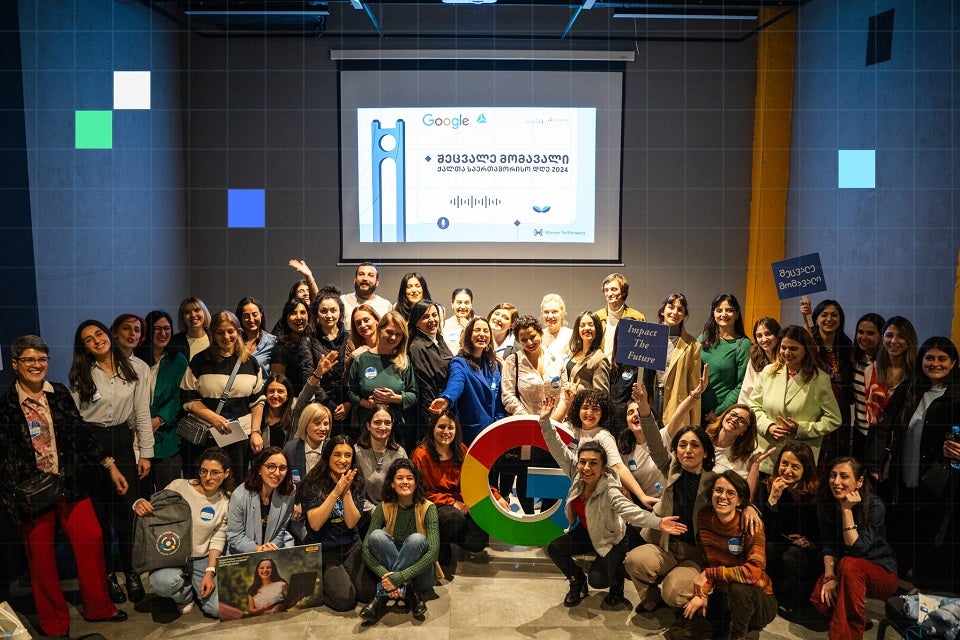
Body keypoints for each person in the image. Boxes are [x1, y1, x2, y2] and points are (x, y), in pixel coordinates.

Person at [0, 335, 128, 637]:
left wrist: (108, 464)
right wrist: (14, 498)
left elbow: (80, 433)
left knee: (92, 540)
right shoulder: (5, 406)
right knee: (42, 562)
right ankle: (55, 624)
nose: (36, 365)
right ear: (16, 364)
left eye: (42, 359)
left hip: (69, 484)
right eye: (29, 360)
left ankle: (99, 608)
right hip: (32, 494)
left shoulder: (57, 393)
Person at [623, 382, 764, 614]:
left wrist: (749, 506)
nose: (688, 450)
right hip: (666, 546)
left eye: (695, 445)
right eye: (682, 445)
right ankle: (650, 596)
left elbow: (737, 498)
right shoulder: (670, 468)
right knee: (634, 560)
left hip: (695, 554)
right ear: (676, 450)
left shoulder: (715, 481)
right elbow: (655, 442)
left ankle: (677, 590)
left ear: (706, 452)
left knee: (674, 594)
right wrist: (645, 407)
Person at [538, 394, 686, 609]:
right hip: (589, 532)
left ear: (603, 466)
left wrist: (658, 522)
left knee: (598, 580)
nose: (587, 468)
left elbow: (629, 510)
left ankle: (616, 581)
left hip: (612, 538)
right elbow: (557, 448)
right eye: (583, 462)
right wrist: (544, 420)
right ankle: (576, 580)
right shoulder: (577, 473)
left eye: (593, 463)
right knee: (555, 548)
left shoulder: (609, 487)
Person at [68, 319, 153, 604]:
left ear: (108, 334)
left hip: (123, 442)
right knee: (101, 517)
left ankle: (130, 572)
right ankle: (107, 575)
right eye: (88, 340)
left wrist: (145, 453)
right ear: (84, 348)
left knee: (127, 514)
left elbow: (142, 413)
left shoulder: (136, 368)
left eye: (99, 334)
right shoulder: (81, 373)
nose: (96, 340)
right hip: (92, 447)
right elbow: (77, 421)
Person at [866, 336, 960, 591]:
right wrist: (875, 463)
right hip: (903, 478)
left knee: (932, 539)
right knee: (901, 533)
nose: (935, 363)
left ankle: (927, 594)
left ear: (953, 363)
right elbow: (884, 426)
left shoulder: (957, 395)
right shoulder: (910, 388)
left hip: (940, 484)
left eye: (942, 359)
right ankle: (897, 590)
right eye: (930, 358)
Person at [133, 447, 233, 617]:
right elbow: (153, 508)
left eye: (215, 472)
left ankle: (196, 582)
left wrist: (210, 572)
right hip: (171, 553)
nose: (208, 477)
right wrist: (138, 503)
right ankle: (185, 596)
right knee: (162, 583)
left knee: (216, 609)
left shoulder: (225, 499)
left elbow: (218, 537)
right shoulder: (179, 486)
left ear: (226, 473)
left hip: (201, 556)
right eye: (204, 471)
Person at [810, 457, 898, 640]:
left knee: (850, 564)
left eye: (844, 476)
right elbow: (828, 545)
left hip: (881, 574)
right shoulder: (826, 503)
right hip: (846, 570)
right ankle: (854, 618)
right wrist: (830, 576)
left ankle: (846, 635)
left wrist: (847, 510)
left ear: (859, 481)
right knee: (822, 598)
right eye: (833, 476)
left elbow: (857, 549)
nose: (836, 482)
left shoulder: (874, 506)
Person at [411, 411, 506, 574]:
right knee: (452, 518)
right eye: (441, 427)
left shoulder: (461, 449)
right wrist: (451, 502)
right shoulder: (421, 454)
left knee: (478, 542)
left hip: (462, 504)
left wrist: (496, 496)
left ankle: (447, 537)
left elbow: (476, 479)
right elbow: (420, 492)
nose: (446, 432)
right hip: (434, 506)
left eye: (450, 427)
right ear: (432, 428)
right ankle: (440, 546)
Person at [686, 472, 777, 640]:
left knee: (739, 587)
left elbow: (754, 572)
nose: (723, 496)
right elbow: (708, 563)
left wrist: (710, 574)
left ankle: (738, 636)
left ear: (740, 500)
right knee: (696, 623)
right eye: (718, 490)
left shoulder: (751, 525)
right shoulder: (705, 518)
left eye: (730, 493)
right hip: (724, 593)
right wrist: (703, 593)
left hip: (758, 598)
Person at [180, 311, 265, 482]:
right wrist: (213, 418)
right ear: (212, 333)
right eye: (220, 332)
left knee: (235, 485)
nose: (226, 337)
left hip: (239, 440)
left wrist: (255, 432)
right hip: (205, 438)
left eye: (231, 331)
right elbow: (188, 398)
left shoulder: (251, 363)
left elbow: (258, 401)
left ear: (238, 332)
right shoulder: (199, 361)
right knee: (204, 484)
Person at [750, 325, 842, 476]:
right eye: (783, 347)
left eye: (793, 348)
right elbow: (753, 405)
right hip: (767, 454)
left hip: (800, 459)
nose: (787, 353)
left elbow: (834, 419)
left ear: (806, 350)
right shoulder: (768, 372)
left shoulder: (819, 379)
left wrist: (801, 429)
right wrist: (768, 426)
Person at [300, 434, 376, 611]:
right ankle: (313, 584)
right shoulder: (313, 482)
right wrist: (335, 492)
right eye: (337, 454)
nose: (343, 460)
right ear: (328, 456)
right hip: (325, 550)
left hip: (351, 546)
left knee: (368, 594)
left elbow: (351, 523)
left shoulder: (356, 481)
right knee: (345, 601)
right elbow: (315, 524)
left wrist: (347, 492)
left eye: (348, 455)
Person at [360, 459, 441, 621]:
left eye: (409, 478)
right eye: (400, 478)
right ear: (391, 483)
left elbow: (432, 553)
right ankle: (410, 592)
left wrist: (395, 578)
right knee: (377, 536)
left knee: (417, 539)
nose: (405, 482)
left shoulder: (429, 508)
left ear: (416, 483)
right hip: (393, 574)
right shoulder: (383, 507)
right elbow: (366, 548)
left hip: (422, 576)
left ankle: (382, 596)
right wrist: (388, 576)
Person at [500, 315, 566, 512]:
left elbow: (564, 392)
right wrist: (531, 421)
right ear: (518, 340)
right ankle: (529, 519)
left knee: (552, 475)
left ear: (540, 333)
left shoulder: (556, 358)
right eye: (523, 339)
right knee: (526, 477)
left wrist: (554, 419)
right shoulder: (513, 361)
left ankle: (548, 520)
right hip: (526, 430)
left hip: (555, 427)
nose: (529, 342)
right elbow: (508, 396)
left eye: (533, 336)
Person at [754, 441, 821, 615]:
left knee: (791, 556)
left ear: (805, 469)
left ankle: (797, 601)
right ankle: (766, 594)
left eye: (795, 467)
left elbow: (822, 532)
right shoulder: (768, 486)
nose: (787, 471)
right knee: (765, 549)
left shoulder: (815, 495)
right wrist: (773, 500)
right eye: (784, 464)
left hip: (803, 548)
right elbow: (763, 531)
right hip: (777, 540)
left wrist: (810, 542)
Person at [134, 310, 190, 495]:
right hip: (136, 436)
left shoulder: (177, 360)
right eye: (157, 329)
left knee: (168, 494)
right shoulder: (134, 360)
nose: (162, 333)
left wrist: (159, 419)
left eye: (167, 328)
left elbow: (179, 395)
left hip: (167, 436)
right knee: (141, 495)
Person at [347, 311, 418, 450]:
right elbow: (350, 391)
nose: (393, 337)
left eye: (398, 334)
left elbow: (413, 395)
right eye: (389, 332)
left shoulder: (404, 361)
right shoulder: (362, 359)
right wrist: (366, 403)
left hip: (396, 430)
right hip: (367, 429)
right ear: (379, 329)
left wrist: (394, 398)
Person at [430, 316, 505, 445]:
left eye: (485, 331)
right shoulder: (459, 362)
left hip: (494, 430)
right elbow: (456, 383)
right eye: (477, 330)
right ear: (469, 335)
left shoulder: (495, 364)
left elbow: (498, 398)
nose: (482, 334)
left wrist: (500, 422)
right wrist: (447, 398)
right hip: (471, 432)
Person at [802, 298, 855, 462]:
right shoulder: (811, 345)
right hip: (816, 411)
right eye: (824, 315)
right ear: (816, 319)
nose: (829, 319)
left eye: (834, 315)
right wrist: (806, 317)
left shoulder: (846, 345)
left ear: (840, 320)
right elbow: (806, 335)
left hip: (841, 412)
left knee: (836, 459)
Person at [643, 293, 701, 424]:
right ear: (662, 311)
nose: (675, 312)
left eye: (680, 309)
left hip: (677, 402)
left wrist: (695, 424)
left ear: (684, 315)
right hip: (652, 398)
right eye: (671, 307)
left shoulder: (693, 345)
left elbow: (694, 386)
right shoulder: (648, 338)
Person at [298, 287, 350, 433]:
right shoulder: (308, 341)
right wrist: (329, 404)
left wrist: (348, 403)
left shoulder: (350, 338)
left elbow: (355, 375)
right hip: (320, 406)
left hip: (349, 405)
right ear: (316, 314)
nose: (329, 315)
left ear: (340, 313)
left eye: (333, 310)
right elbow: (307, 375)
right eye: (324, 311)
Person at [226, 446, 296, 553]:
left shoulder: (289, 493)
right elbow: (235, 536)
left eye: (282, 468)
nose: (277, 473)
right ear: (259, 469)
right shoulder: (239, 495)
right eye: (271, 467)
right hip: (244, 554)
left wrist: (270, 548)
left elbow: (281, 530)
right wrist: (259, 549)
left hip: (272, 551)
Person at [698, 293, 751, 425]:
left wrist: (718, 412)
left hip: (721, 415)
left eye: (729, 310)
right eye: (719, 310)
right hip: (695, 408)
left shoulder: (743, 345)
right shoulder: (703, 338)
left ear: (737, 314)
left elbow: (742, 385)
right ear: (713, 313)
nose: (724, 314)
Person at [407, 300, 453, 438]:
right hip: (433, 412)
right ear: (416, 322)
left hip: (447, 405)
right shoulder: (417, 346)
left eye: (434, 315)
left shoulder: (439, 339)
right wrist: (434, 420)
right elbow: (425, 386)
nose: (432, 320)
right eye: (425, 317)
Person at [863, 316, 917, 428]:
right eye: (889, 336)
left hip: (904, 437)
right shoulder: (871, 370)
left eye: (901, 336)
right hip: (876, 436)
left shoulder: (917, 373)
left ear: (909, 340)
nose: (894, 341)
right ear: (882, 339)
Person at [355, 405, 408, 509]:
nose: (383, 427)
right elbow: (355, 493)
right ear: (368, 426)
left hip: (394, 512)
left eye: (387, 423)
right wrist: (377, 514)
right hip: (365, 514)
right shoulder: (356, 452)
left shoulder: (400, 453)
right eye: (377, 422)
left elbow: (405, 490)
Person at [849, 313, 884, 459]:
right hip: (858, 430)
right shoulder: (854, 359)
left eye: (870, 333)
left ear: (882, 336)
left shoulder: (885, 365)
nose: (863, 337)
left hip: (878, 434)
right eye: (860, 332)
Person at [594, 273, 646, 356]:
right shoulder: (596, 317)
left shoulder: (637, 317)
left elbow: (643, 349)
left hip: (626, 367)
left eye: (613, 289)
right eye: (606, 290)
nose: (609, 294)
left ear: (624, 292)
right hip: (601, 367)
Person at [270, 297, 311, 394]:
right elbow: (278, 385)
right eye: (293, 313)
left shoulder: (314, 342)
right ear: (286, 318)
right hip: (292, 403)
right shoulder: (280, 349)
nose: (298, 317)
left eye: (302, 312)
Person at [737, 317, 781, 405]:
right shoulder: (755, 358)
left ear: (778, 334)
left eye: (768, 334)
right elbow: (747, 390)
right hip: (757, 409)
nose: (764, 339)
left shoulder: (786, 358)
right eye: (759, 336)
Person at [564, 310, 609, 393]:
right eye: (582, 325)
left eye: (591, 325)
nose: (586, 328)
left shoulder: (600, 359)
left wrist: (579, 390)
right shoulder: (574, 352)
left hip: (583, 405)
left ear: (597, 329)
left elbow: (602, 395)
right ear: (578, 329)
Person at [236, 296, 276, 377]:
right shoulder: (234, 341)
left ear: (261, 314)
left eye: (255, 314)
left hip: (263, 388)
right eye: (246, 316)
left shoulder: (272, 342)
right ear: (240, 317)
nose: (251, 319)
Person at [255, 374, 295, 449]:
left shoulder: (294, 416)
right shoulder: (258, 415)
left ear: (287, 396)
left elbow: (305, 397)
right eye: (271, 391)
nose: (275, 395)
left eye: (280, 391)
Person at [169, 297, 211, 362]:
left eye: (197, 310)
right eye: (187, 312)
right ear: (182, 317)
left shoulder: (215, 338)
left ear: (204, 312)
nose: (193, 315)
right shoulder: (174, 343)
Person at [442, 287, 474, 354]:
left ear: (471, 304)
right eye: (459, 302)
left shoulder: (479, 323)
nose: (462, 307)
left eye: (466, 303)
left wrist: (469, 329)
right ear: (452, 304)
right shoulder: (444, 325)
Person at [540, 293, 573, 359]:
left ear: (562, 313)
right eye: (546, 312)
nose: (550, 316)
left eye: (554, 312)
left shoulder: (571, 335)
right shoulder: (539, 335)